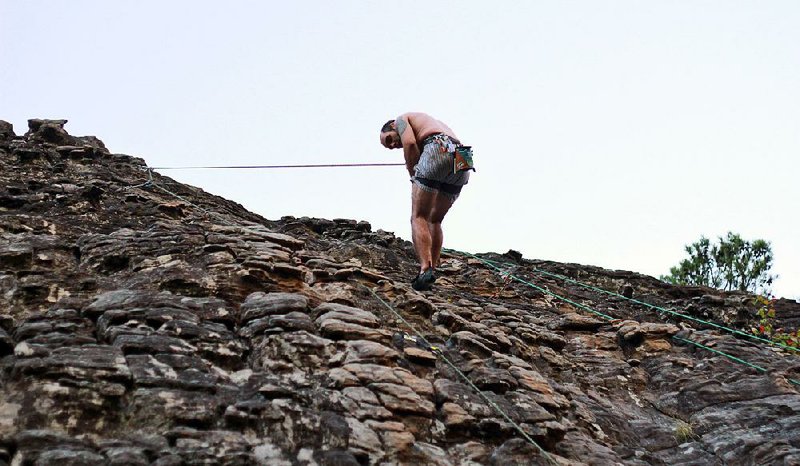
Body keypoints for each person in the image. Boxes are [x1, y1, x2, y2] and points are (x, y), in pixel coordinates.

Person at [379, 112, 473, 291]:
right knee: (435, 220)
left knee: (418, 216)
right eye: (390, 147)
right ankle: (432, 270)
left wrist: (413, 174)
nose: (394, 145)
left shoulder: (400, 119)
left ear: (392, 126)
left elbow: (410, 143)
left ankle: (425, 269)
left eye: (389, 139)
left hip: (437, 146)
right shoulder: (435, 122)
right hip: (463, 155)